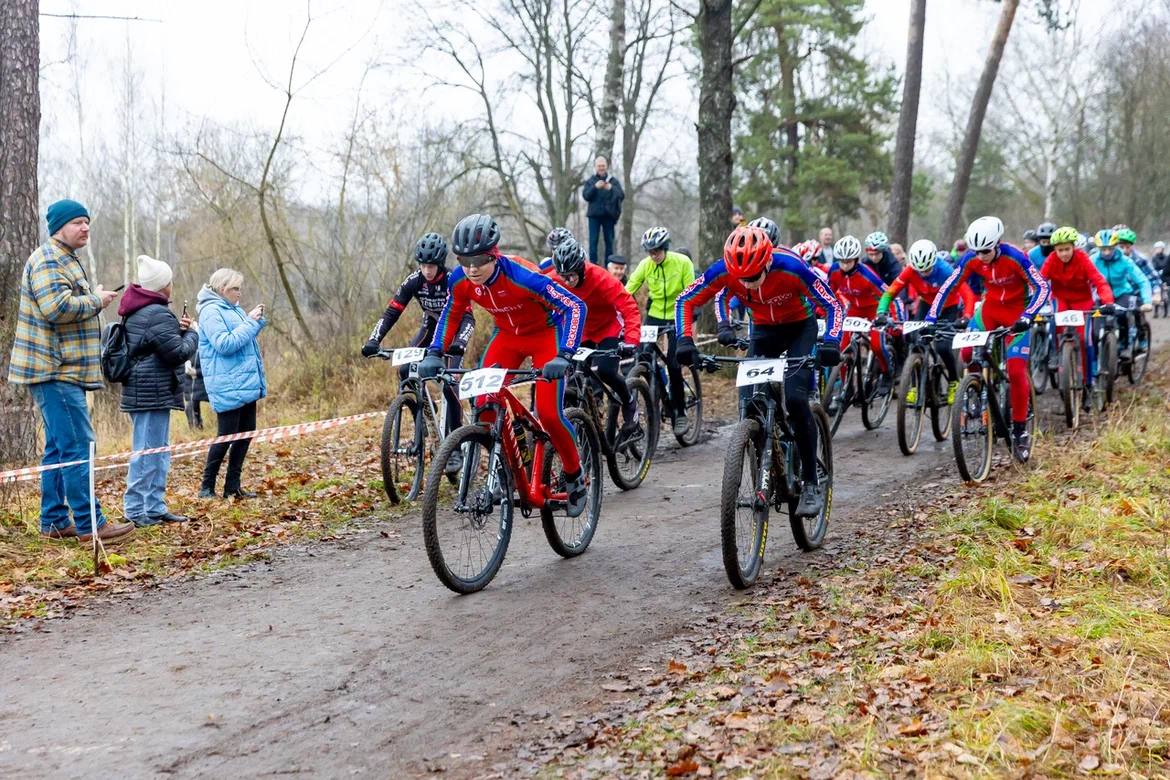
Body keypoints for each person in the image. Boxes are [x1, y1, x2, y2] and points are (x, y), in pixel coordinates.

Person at [419, 213, 589, 517]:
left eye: (479, 260)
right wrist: (434, 352)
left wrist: (564, 354)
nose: (471, 269)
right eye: (463, 260)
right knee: (484, 406)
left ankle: (575, 474)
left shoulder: (522, 275)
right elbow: (452, 313)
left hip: (545, 336)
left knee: (549, 415)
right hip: (507, 337)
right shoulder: (459, 280)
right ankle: (509, 466)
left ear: (494, 256)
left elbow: (574, 306)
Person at [674, 226, 844, 517]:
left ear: (767, 261)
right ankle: (763, 450)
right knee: (753, 399)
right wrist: (684, 339)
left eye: (753, 277)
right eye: (742, 279)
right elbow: (685, 300)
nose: (748, 284)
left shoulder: (792, 267)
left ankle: (812, 483)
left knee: (795, 399)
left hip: (799, 329)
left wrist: (831, 342)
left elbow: (833, 306)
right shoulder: (724, 270)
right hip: (764, 331)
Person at [7, 199, 134, 543]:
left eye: (87, 222)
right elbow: (56, 307)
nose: (86, 228)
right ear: (59, 226)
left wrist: (92, 296)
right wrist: (96, 301)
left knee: (60, 448)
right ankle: (92, 524)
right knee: (79, 446)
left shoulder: (65, 259)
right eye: (78, 222)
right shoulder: (48, 259)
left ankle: (53, 521)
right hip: (56, 371)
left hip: (62, 371)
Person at [925, 216, 1050, 462]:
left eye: (986, 251)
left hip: (1017, 314)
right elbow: (949, 286)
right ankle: (975, 389)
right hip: (990, 311)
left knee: (1015, 371)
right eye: (977, 251)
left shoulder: (1016, 257)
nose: (981, 256)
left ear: (997, 243)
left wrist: (1028, 316)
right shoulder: (971, 258)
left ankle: (1020, 430)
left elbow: (1042, 288)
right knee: (967, 353)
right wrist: (931, 316)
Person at [361, 232, 474, 439]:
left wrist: (460, 342)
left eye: (431, 266)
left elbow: (468, 318)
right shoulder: (414, 280)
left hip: (455, 330)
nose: (427, 270)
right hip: (431, 327)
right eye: (423, 265)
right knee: (405, 370)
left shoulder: (452, 280)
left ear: (439, 264)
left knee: (450, 384)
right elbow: (392, 311)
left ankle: (455, 439)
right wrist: (374, 339)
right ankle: (424, 414)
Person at [117, 255, 199, 526]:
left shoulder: (142, 310)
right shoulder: (157, 312)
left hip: (147, 391)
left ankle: (153, 507)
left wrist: (177, 331)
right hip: (150, 393)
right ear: (163, 285)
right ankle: (136, 510)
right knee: (148, 452)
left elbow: (155, 344)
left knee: (157, 451)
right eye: (169, 280)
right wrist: (192, 334)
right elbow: (176, 353)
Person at [548, 239, 642, 438]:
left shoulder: (600, 277)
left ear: (581, 268)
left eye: (571, 275)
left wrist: (632, 341)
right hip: (581, 331)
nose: (567, 281)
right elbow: (533, 287)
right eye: (563, 276)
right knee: (572, 377)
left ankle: (629, 403)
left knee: (606, 370)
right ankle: (584, 422)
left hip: (607, 327)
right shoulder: (555, 278)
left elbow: (628, 307)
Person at [197, 268, 267, 499]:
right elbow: (225, 344)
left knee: (245, 434)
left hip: (245, 382)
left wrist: (253, 321)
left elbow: (242, 336)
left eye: (239, 288)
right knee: (226, 435)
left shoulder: (232, 309)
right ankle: (206, 488)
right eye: (235, 288)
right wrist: (250, 321)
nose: (239, 292)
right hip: (226, 384)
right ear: (222, 289)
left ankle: (232, 486)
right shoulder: (210, 311)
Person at [878, 240, 976, 405]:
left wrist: (966, 316)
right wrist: (881, 312)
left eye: (927, 269)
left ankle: (953, 381)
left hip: (948, 308)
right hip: (926, 305)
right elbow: (891, 292)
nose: (923, 273)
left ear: (933, 262)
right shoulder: (910, 270)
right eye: (920, 270)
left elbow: (967, 294)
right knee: (916, 342)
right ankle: (916, 386)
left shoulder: (945, 270)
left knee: (942, 347)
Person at [625, 226, 696, 433]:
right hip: (655, 314)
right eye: (650, 251)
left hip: (678, 313)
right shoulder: (645, 265)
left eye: (656, 250)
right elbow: (627, 290)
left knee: (674, 363)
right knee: (642, 355)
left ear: (664, 247)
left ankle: (680, 412)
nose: (653, 255)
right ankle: (655, 394)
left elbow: (691, 293)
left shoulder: (682, 262)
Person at [1039, 226, 1115, 410]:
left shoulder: (1083, 259)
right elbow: (1040, 283)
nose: (1063, 254)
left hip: (1083, 301)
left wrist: (1108, 302)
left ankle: (1088, 384)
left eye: (1067, 249)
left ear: (1074, 247)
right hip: (1061, 299)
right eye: (1059, 250)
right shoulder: (1051, 260)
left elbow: (1099, 281)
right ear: (1054, 250)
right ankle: (1057, 356)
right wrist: (1035, 305)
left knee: (1085, 340)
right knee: (1054, 325)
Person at [828, 235, 899, 392]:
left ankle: (887, 374)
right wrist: (822, 310)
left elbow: (888, 295)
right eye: (841, 261)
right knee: (842, 348)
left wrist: (890, 316)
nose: (845, 266)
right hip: (854, 310)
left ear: (856, 259)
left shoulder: (867, 274)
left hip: (874, 309)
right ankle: (847, 386)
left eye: (848, 261)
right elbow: (828, 294)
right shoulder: (834, 271)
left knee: (877, 345)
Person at [1091, 228, 1151, 359]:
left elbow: (1142, 280)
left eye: (1110, 249)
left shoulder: (1125, 260)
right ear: (1098, 248)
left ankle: (1125, 347)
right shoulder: (1093, 260)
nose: (1106, 253)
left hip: (1122, 293)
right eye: (1103, 249)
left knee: (1124, 315)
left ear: (1115, 246)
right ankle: (1095, 359)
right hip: (1101, 295)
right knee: (1093, 328)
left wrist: (1147, 301)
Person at [581, 157, 624, 265]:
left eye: (603, 165)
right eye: (599, 166)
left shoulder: (613, 181)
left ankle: (609, 267)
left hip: (609, 216)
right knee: (593, 242)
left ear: (606, 166)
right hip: (594, 216)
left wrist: (611, 188)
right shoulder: (590, 181)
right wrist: (595, 187)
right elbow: (586, 196)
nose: (601, 168)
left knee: (609, 242)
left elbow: (621, 195)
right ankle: (592, 266)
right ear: (595, 167)